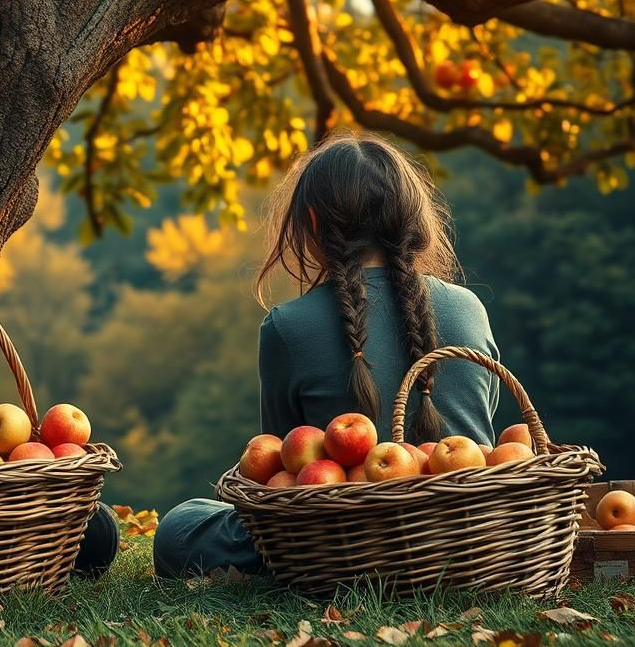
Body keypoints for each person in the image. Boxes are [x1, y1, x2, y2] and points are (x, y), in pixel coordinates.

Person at [153, 132, 500, 578]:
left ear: (312, 222)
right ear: (412, 219)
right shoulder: (469, 308)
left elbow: (279, 465)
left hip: (340, 548)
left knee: (182, 525)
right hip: (469, 540)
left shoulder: (288, 325)